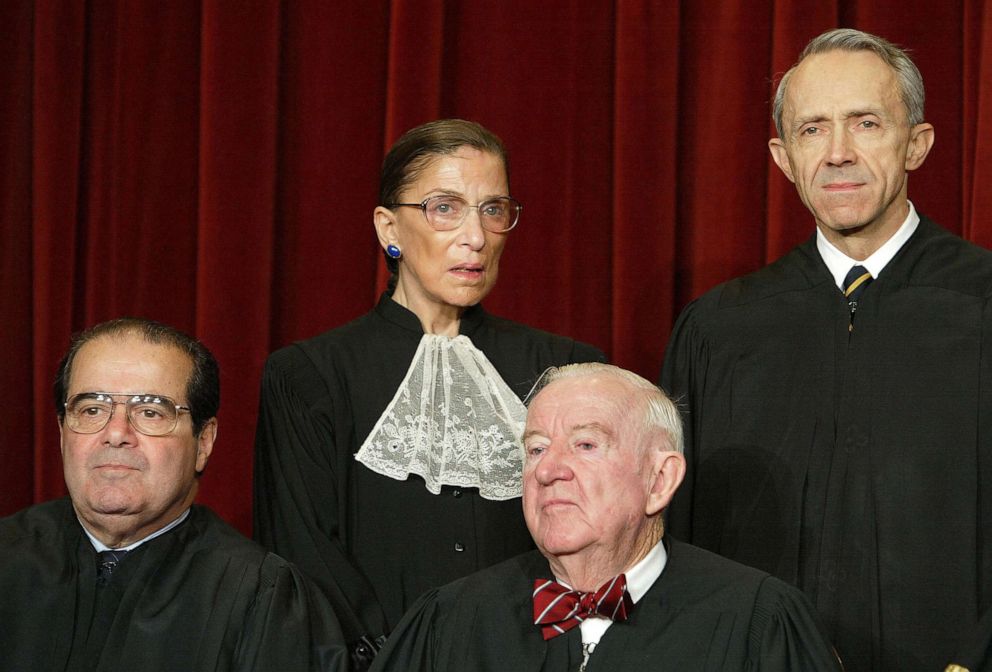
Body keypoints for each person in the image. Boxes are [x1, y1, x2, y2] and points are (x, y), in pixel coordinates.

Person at [661, 28, 992, 672]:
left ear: (916, 145)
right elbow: (678, 534)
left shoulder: (983, 304)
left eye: (866, 123)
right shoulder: (722, 328)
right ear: (783, 158)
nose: (838, 153)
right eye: (813, 130)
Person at [253, 118, 605, 668]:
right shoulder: (309, 375)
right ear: (388, 228)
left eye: (493, 210)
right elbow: (304, 558)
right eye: (445, 207)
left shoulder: (568, 369)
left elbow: (604, 536)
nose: (476, 237)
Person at [368, 363, 842, 671]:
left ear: (659, 479)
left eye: (586, 445)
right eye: (535, 449)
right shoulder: (452, 621)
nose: (549, 469)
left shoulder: (757, 623)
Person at [0, 318, 346, 671]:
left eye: (150, 411)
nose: (116, 433)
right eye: (92, 410)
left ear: (204, 441)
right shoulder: (7, 558)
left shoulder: (258, 596)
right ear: (61, 433)